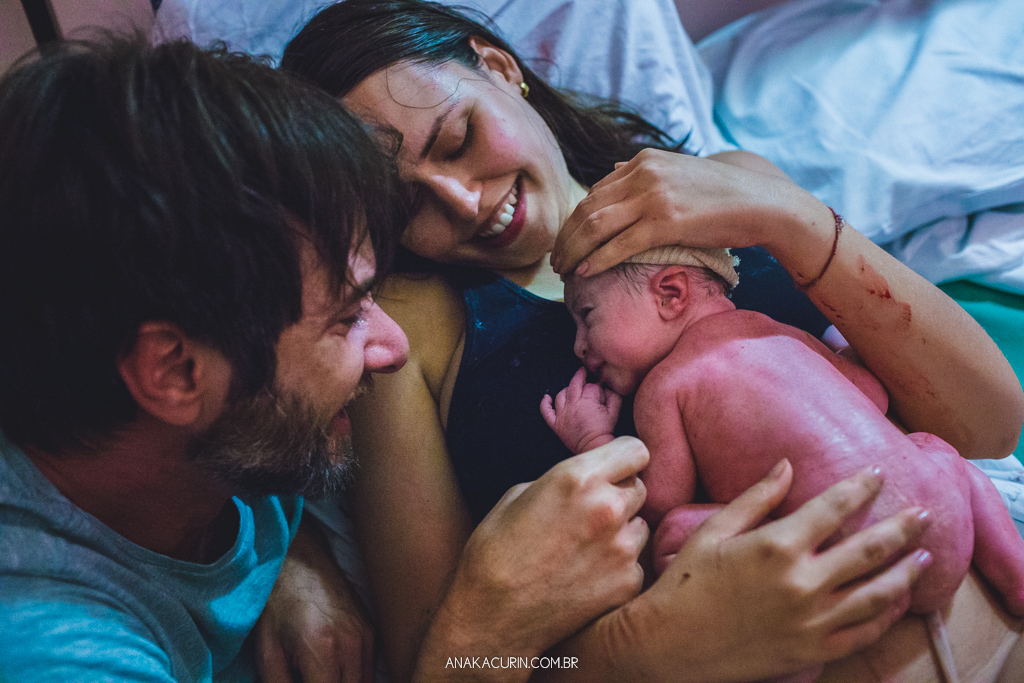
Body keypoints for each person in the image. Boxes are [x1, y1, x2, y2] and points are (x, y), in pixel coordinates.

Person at [277, 0, 1024, 680]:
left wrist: (791, 219)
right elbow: (453, 660)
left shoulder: (731, 190)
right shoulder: (405, 334)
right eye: (406, 204)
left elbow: (986, 427)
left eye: (458, 137)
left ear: (500, 68)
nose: (465, 201)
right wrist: (650, 645)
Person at [0, 35, 658, 682]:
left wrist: (289, 558)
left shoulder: (229, 441)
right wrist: (489, 627)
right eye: (347, 317)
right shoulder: (59, 649)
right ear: (174, 373)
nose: (392, 347)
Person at [541, 246, 1024, 648]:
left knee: (673, 535)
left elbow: (659, 503)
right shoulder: (777, 328)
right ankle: (1015, 574)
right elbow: (874, 397)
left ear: (671, 294)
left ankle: (783, 662)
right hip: (940, 530)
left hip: (830, 571)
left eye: (587, 316)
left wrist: (594, 441)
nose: (579, 345)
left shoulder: (664, 387)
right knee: (932, 448)